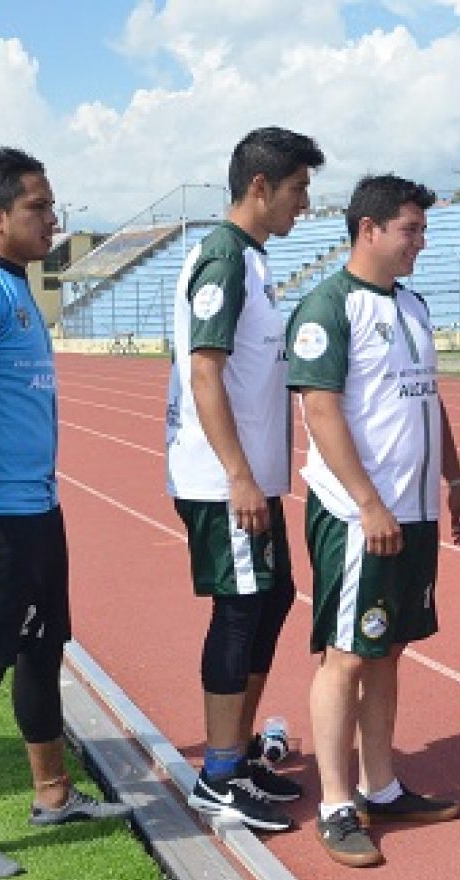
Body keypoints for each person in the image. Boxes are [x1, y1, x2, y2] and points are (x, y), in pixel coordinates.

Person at [0, 148, 133, 879]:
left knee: (41, 649)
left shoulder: (14, 283)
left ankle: (53, 792)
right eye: (39, 208)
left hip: (37, 506)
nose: (53, 219)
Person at [287, 174, 460, 869]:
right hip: (357, 516)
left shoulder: (414, 305)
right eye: (410, 230)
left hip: (414, 511)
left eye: (423, 230)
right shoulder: (328, 306)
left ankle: (381, 781)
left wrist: (454, 478)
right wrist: (368, 501)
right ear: (369, 229)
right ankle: (337, 801)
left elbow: (429, 400)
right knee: (346, 655)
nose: (420, 243)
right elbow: (320, 411)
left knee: (390, 648)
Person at [166, 127, 324, 834]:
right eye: (297, 188)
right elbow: (205, 369)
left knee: (273, 596)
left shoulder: (251, 261)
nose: (305, 202)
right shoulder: (224, 258)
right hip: (223, 478)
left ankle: (242, 750)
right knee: (240, 607)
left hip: (251, 476)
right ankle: (218, 774)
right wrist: (236, 472)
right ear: (260, 186)